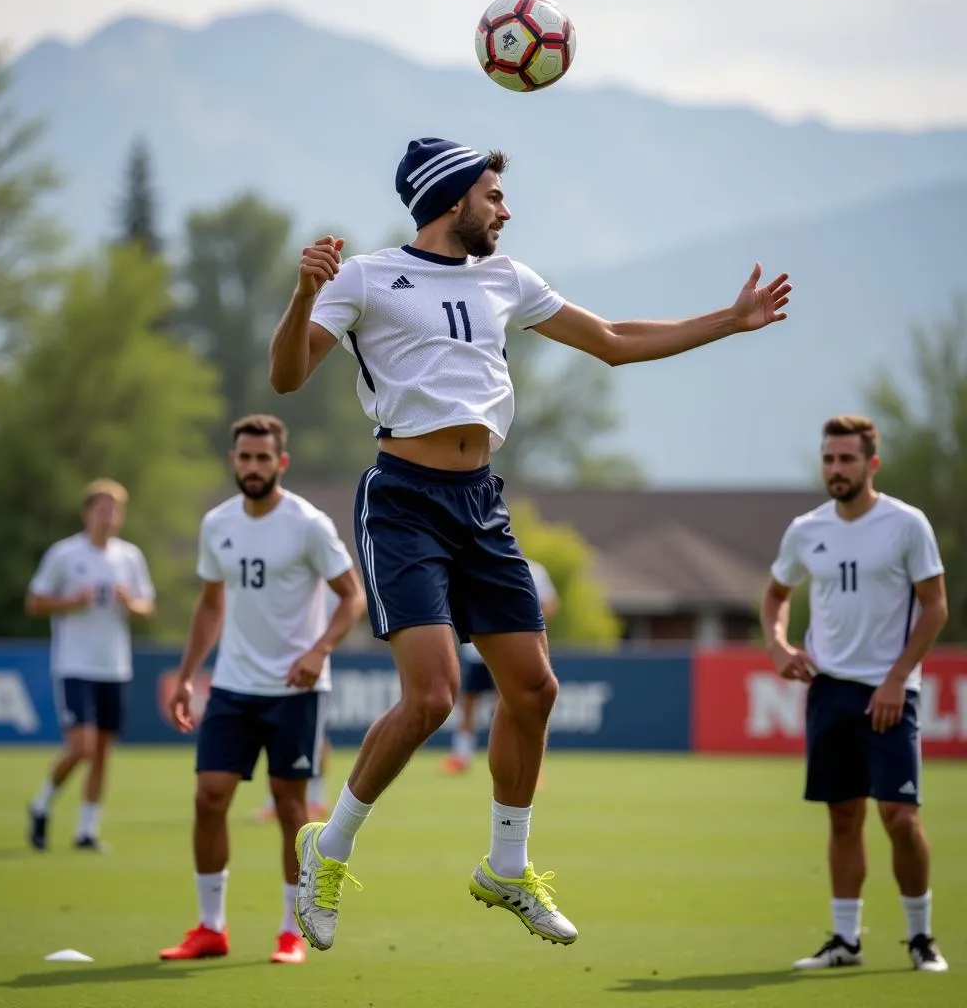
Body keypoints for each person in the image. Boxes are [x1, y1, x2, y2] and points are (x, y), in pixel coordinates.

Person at [268, 136, 791, 952]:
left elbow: (613, 339)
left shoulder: (506, 278)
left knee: (536, 690)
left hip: (482, 504)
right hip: (403, 504)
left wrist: (731, 320)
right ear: (450, 198)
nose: (505, 211)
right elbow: (287, 376)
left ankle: (506, 867)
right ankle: (325, 850)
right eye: (492, 196)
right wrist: (304, 295)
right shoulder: (365, 276)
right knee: (434, 698)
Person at [159, 415, 365, 966]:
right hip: (231, 685)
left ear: (281, 462)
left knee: (290, 806)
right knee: (208, 799)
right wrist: (186, 676)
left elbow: (352, 597)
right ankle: (210, 927)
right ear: (234, 461)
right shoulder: (217, 524)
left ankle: (290, 931)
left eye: (262, 458)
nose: (253, 467)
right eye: (244, 458)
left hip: (295, 691)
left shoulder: (308, 524)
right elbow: (210, 604)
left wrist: (318, 650)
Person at [760, 415, 949, 974]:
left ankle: (921, 939)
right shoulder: (806, 529)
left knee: (900, 816)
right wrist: (776, 647)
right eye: (828, 459)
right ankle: (845, 941)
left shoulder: (906, 524)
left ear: (872, 464)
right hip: (828, 691)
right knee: (843, 817)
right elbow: (775, 595)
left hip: (889, 691)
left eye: (846, 459)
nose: (835, 469)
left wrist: (897, 678)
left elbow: (935, 606)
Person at [26, 479, 155, 852]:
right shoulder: (65, 554)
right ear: (87, 513)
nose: (110, 517)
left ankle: (87, 829)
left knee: (102, 752)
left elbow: (147, 606)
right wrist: (71, 601)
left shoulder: (129, 557)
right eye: (103, 509)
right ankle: (41, 804)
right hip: (74, 664)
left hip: (114, 666)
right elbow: (35, 602)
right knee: (81, 747)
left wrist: (131, 603)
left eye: (115, 510)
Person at [443, 559, 560, 773]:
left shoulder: (534, 570)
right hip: (475, 650)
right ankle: (461, 757)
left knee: (509, 705)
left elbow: (549, 602)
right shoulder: (476, 565)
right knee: (468, 703)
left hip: (510, 650)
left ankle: (522, 765)